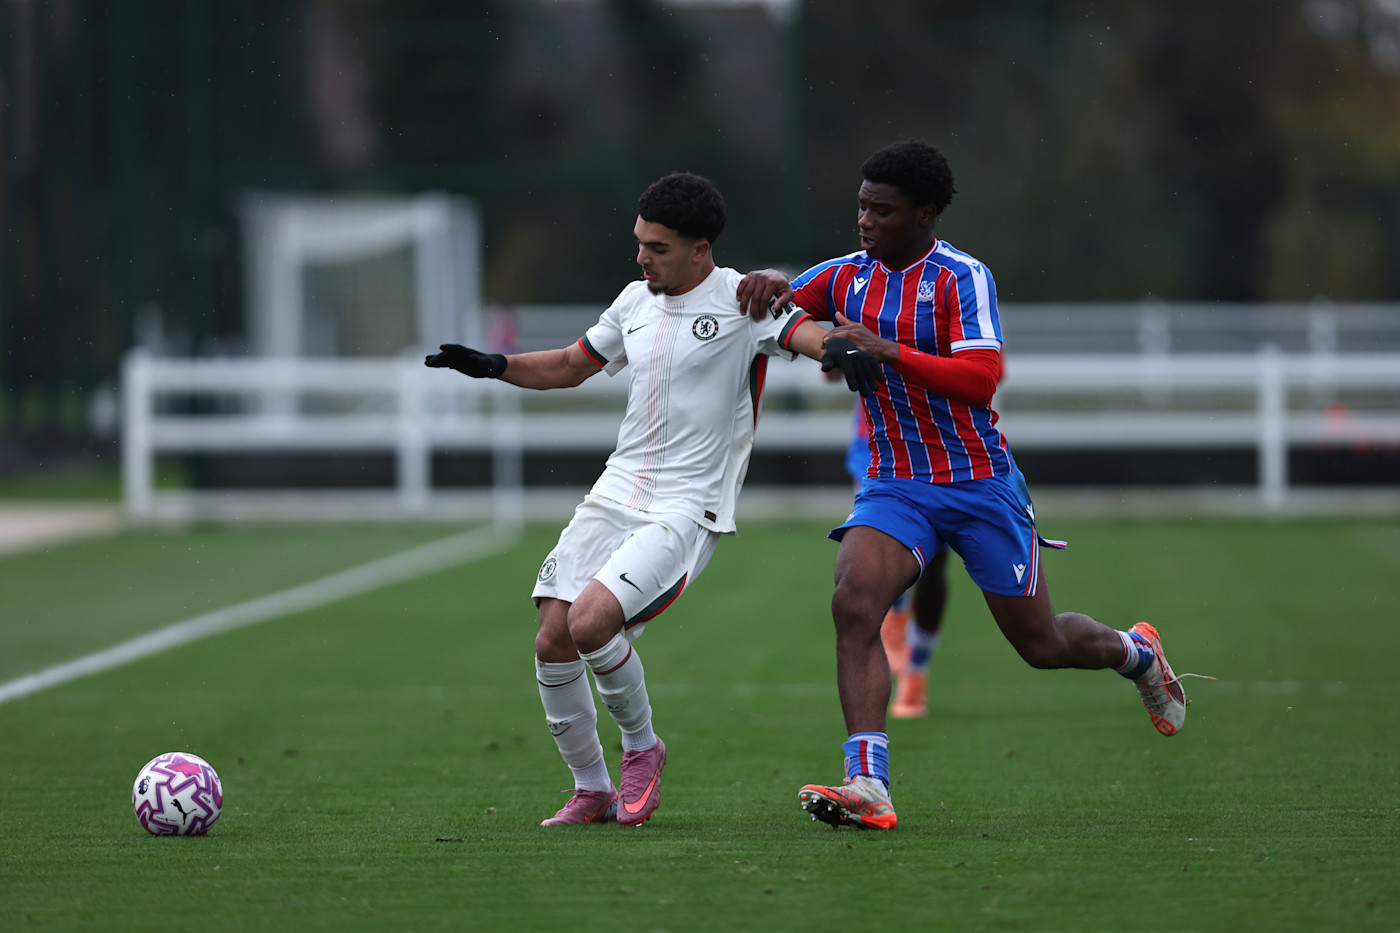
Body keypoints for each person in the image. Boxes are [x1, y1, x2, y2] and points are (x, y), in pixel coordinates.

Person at [737, 140, 1207, 831]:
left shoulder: (961, 277)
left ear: (924, 213)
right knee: (854, 601)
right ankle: (868, 781)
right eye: (861, 206)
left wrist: (889, 349)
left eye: (883, 210)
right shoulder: (845, 275)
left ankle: (1137, 652)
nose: (865, 221)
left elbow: (983, 377)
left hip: (979, 483)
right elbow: (785, 313)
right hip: (896, 481)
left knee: (1041, 644)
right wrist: (769, 280)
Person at [426, 172, 878, 827]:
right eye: (639, 242)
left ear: (700, 249)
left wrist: (838, 345)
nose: (643, 257)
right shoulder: (634, 301)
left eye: (658, 247)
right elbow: (571, 364)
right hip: (615, 491)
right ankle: (591, 789)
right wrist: (496, 365)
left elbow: (805, 334)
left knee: (590, 623)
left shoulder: (743, 301)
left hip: (686, 508)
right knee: (553, 637)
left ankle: (643, 748)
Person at [840, 393, 949, 720]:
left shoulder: (957, 336)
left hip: (942, 446)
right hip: (879, 445)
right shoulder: (874, 336)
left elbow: (988, 372)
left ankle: (916, 669)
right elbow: (831, 365)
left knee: (934, 565)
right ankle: (894, 622)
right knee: (884, 545)